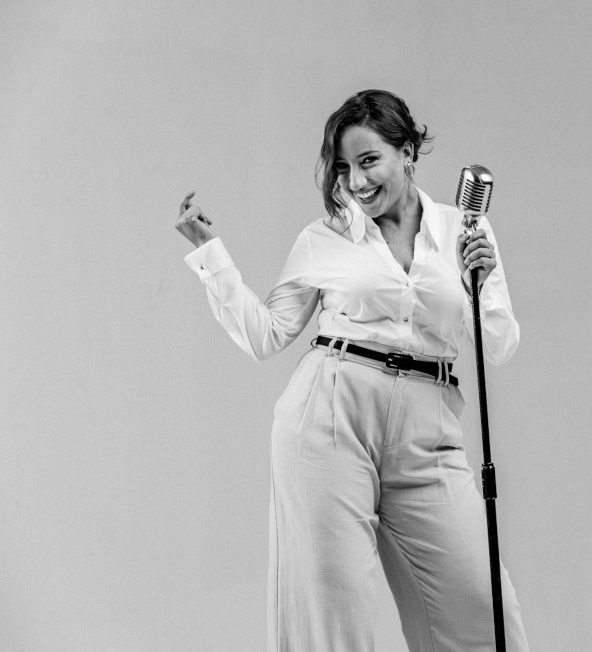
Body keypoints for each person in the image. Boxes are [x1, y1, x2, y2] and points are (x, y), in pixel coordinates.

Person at [175, 89, 530, 652]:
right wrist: (210, 255)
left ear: (407, 152)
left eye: (369, 160)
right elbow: (267, 336)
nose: (357, 182)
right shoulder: (325, 237)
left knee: (484, 615)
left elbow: (499, 346)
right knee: (332, 620)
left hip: (429, 430)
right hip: (331, 416)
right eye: (344, 168)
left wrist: (479, 283)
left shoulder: (464, 230)